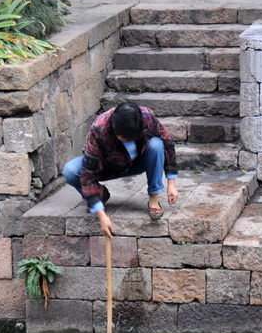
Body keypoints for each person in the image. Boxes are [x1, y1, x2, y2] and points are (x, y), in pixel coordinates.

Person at [62, 102, 179, 238]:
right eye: (125, 138)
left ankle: (153, 198)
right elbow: (88, 173)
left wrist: (172, 184)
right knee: (70, 170)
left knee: (156, 144)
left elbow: (167, 143)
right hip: (107, 166)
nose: (129, 141)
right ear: (114, 127)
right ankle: (101, 193)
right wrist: (101, 215)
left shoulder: (146, 117)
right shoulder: (99, 128)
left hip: (138, 162)